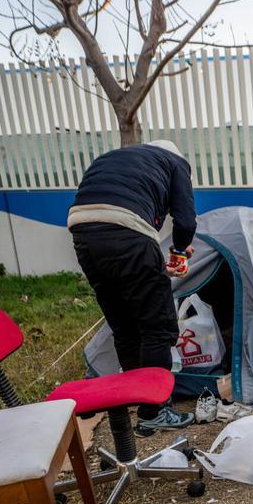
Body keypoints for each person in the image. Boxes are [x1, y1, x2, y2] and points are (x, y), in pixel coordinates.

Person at [68, 139, 198, 436]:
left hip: (82, 233)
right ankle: (154, 411)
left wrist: (151, 262)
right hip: (127, 230)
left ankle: (135, 398)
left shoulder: (119, 159)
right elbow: (185, 222)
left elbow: (123, 216)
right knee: (157, 327)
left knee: (125, 326)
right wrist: (179, 250)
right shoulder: (175, 163)